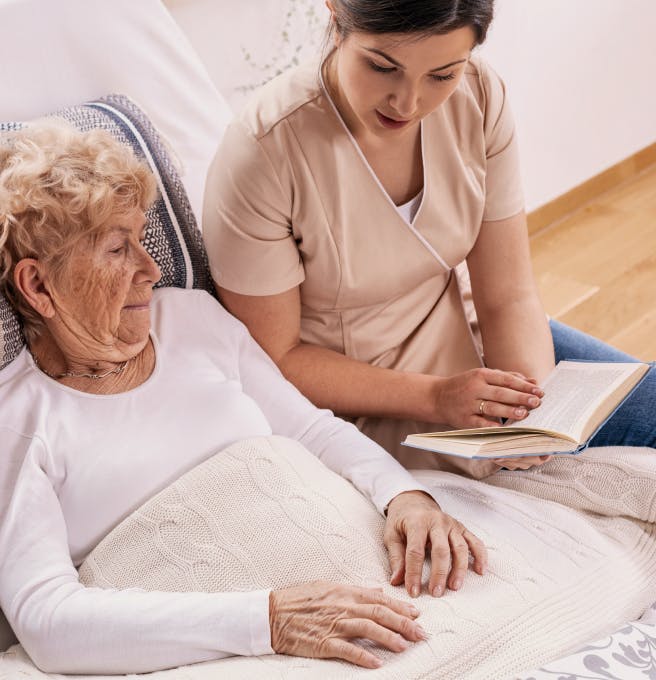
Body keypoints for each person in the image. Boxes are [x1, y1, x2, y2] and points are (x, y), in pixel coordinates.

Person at [0, 122, 487, 675]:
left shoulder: (192, 318)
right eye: (117, 248)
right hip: (235, 643)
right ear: (38, 286)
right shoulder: (14, 423)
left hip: (366, 580)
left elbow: (310, 431)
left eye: (141, 238)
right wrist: (268, 620)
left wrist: (405, 495)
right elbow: (48, 619)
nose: (150, 269)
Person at [202, 0, 655, 478]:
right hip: (355, 395)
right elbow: (277, 359)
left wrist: (528, 411)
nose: (408, 102)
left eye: (442, 75)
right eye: (381, 66)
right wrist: (438, 398)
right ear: (335, 16)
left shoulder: (479, 94)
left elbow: (507, 294)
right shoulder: (264, 153)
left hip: (467, 335)